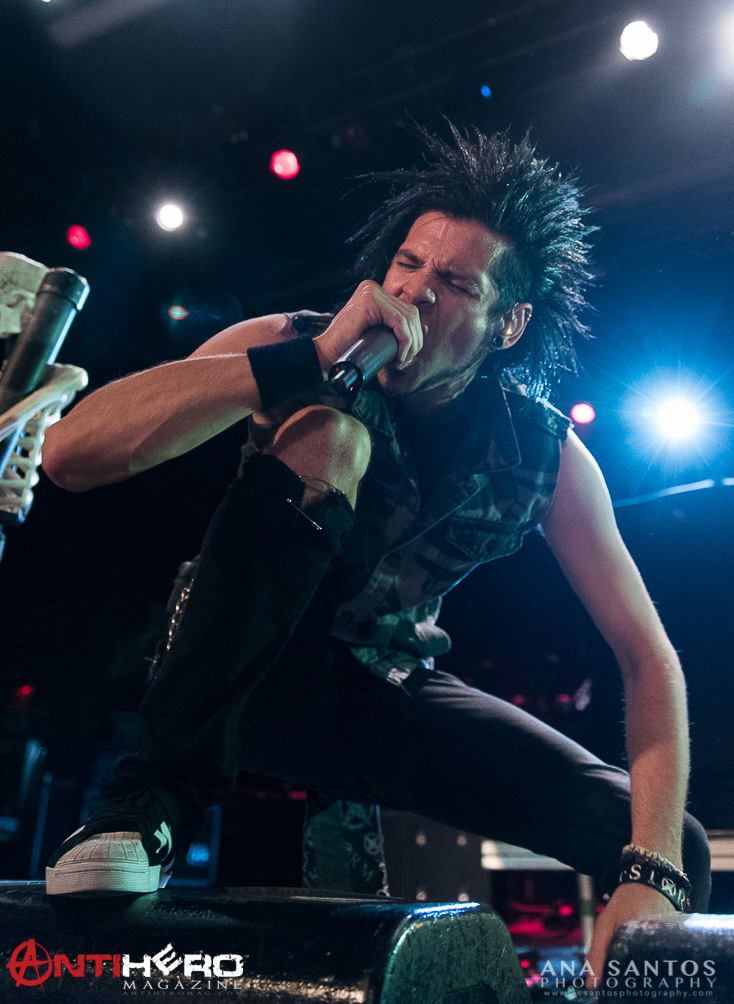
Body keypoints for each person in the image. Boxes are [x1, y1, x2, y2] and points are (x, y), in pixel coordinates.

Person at [42, 126, 709, 982]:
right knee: (330, 436)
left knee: (668, 842)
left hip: (380, 695)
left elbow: (648, 657)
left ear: (507, 324)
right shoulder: (297, 343)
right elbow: (69, 455)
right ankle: (150, 800)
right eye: (407, 263)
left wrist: (651, 873)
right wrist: (304, 363)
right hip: (238, 670)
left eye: (456, 284)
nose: (415, 291)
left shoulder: (545, 453)